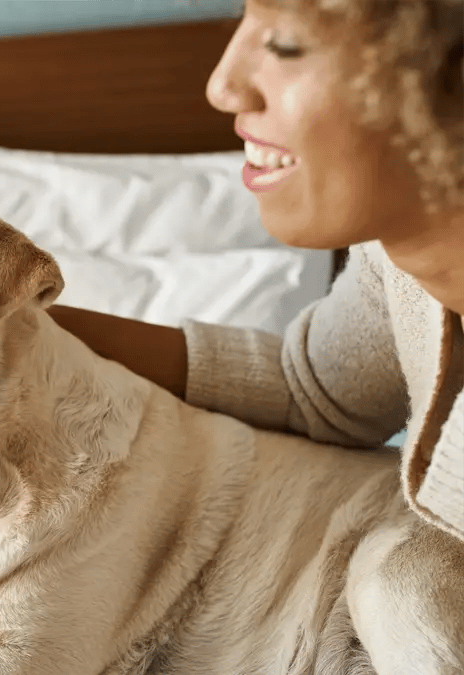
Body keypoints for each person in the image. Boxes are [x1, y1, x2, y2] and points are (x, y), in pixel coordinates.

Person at [48, 0, 464, 541]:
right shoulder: (398, 262)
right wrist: (17, 331)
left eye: (286, 42)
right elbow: (313, 391)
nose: (222, 86)